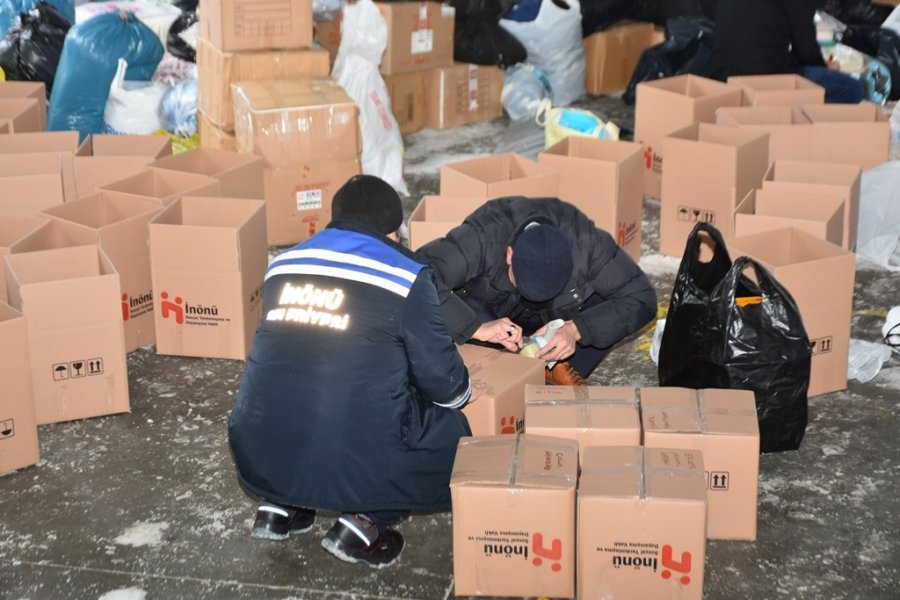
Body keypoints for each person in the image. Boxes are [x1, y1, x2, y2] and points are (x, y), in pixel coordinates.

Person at [228, 174, 472, 568]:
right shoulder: (405, 274)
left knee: (304, 396)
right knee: (451, 433)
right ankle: (364, 523)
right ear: (394, 232)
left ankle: (279, 505)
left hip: (258, 440)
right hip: (351, 449)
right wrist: (462, 391)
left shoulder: (282, 264)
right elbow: (444, 384)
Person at [415, 196, 657, 386]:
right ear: (510, 254)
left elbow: (642, 299)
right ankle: (513, 367)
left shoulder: (588, 245)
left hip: (559, 315)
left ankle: (551, 366)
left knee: (608, 302)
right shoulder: (481, 239)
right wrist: (476, 328)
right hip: (491, 310)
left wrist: (577, 330)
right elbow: (417, 274)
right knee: (441, 310)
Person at [710, 0, 864, 104]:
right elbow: (806, 52)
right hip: (767, 79)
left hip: (722, 75)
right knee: (853, 89)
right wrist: (827, 66)